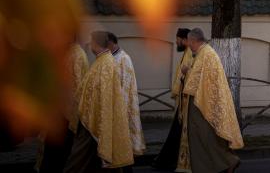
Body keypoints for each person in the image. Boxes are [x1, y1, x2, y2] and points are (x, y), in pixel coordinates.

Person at [64, 31, 133, 172]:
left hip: (93, 120)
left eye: (91, 42)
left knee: (77, 159)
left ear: (95, 43)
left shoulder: (106, 63)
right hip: (89, 117)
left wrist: (99, 120)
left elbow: (105, 96)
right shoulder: (102, 61)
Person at [176, 28, 243, 173]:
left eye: (190, 43)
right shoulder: (202, 53)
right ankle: (211, 166)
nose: (189, 46)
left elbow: (196, 82)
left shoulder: (206, 54)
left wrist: (187, 72)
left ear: (194, 41)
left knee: (206, 137)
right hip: (202, 102)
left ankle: (229, 161)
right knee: (202, 138)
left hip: (203, 105)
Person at [37, 39, 89, 172]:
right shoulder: (69, 53)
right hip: (60, 112)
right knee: (54, 153)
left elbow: (77, 85)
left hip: (65, 114)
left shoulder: (75, 54)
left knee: (57, 154)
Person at [153, 28, 194, 171]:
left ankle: (168, 162)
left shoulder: (189, 54)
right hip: (181, 101)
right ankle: (168, 161)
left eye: (177, 40)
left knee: (177, 134)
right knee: (176, 133)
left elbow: (186, 78)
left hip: (184, 102)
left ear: (184, 40)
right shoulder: (186, 53)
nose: (176, 42)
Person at [107, 33, 146, 163]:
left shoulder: (124, 58)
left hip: (122, 104)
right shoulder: (110, 57)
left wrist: (119, 106)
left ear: (111, 43)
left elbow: (126, 83)